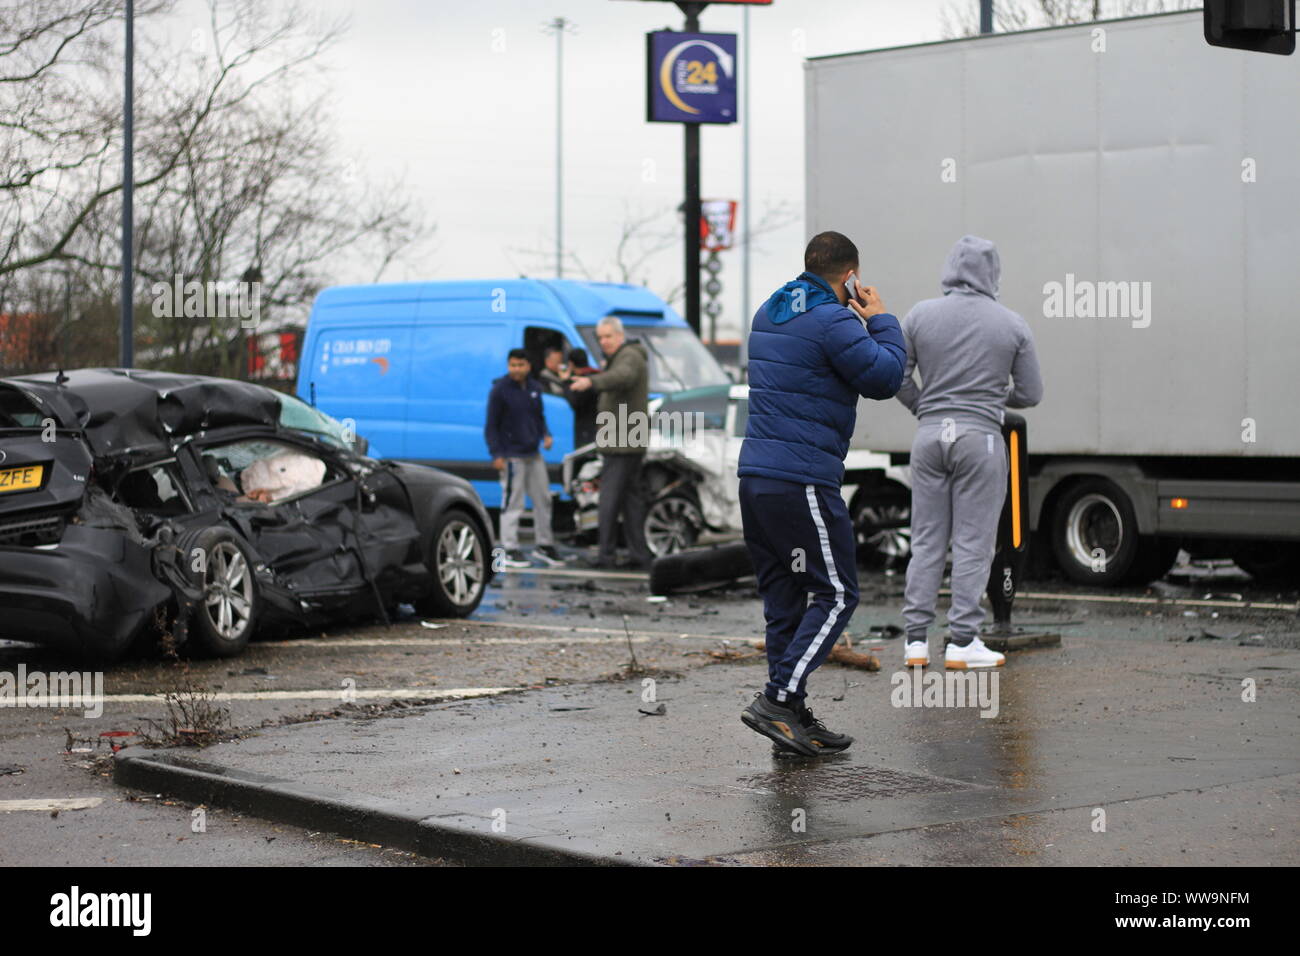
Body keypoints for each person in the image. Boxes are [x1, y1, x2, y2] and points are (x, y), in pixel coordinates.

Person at [737, 231, 906, 757]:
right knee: (837, 594)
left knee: (785, 600)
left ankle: (791, 720)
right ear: (850, 276)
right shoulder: (834, 321)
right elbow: (885, 376)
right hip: (802, 479)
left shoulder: (769, 310)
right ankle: (778, 700)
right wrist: (880, 317)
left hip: (756, 480)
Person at [896, 235, 1043, 670]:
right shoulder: (1011, 324)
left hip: (928, 437)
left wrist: (924, 405)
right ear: (992, 273)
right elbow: (1032, 393)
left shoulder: (920, 315)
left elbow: (895, 375)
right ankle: (962, 642)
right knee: (973, 542)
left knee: (926, 540)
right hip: (980, 437)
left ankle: (916, 642)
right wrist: (992, 398)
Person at [568, 317, 653, 569]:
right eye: (600, 337)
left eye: (608, 336)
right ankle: (639, 555)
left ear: (619, 335)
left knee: (608, 500)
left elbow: (622, 377)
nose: (603, 342)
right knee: (631, 501)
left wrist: (591, 382)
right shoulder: (626, 356)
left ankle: (606, 555)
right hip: (626, 440)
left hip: (622, 442)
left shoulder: (629, 357)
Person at [484, 348, 565, 568]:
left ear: (528, 366)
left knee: (543, 499)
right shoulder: (500, 390)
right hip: (512, 456)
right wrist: (496, 453)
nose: (516, 370)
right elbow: (491, 425)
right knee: (513, 502)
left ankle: (544, 545)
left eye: (520, 365)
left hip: (533, 454)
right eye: (512, 365)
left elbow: (538, 416)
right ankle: (508, 548)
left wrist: (545, 434)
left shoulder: (534, 388)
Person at [565, 347, 599, 448]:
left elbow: (574, 402)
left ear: (571, 364)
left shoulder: (582, 382)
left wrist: (565, 382)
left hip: (586, 429)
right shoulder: (597, 376)